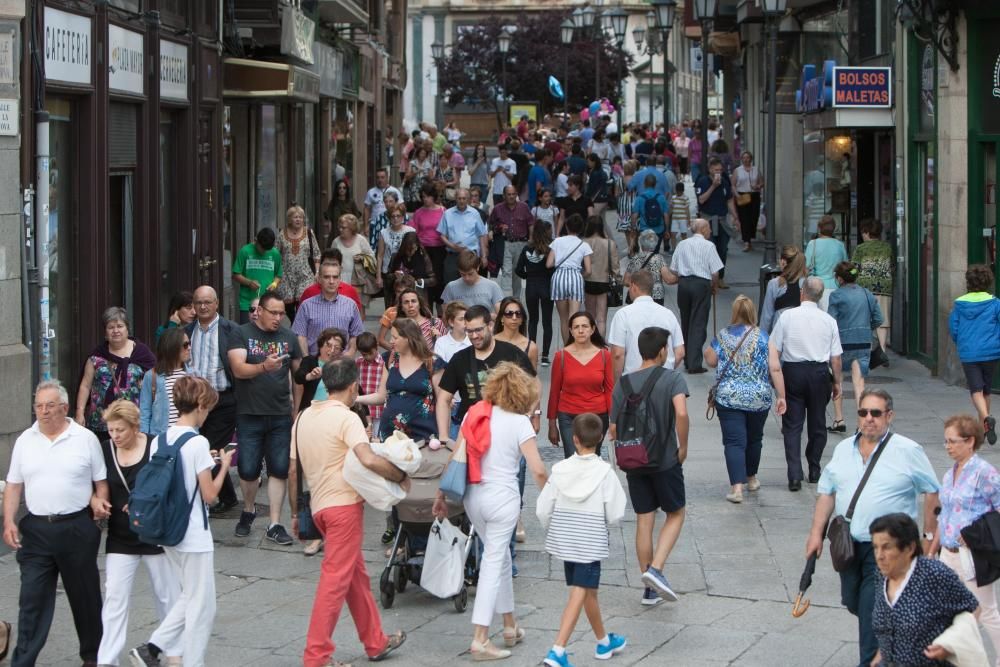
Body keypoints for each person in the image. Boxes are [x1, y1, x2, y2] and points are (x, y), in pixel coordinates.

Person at [805, 388, 941, 667]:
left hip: (889, 549)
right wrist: (815, 534)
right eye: (863, 412)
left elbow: (932, 491)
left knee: (871, 611)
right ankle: (893, 644)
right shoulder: (844, 449)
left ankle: (872, 660)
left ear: (889, 416)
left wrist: (928, 537)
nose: (868, 418)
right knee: (854, 601)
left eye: (875, 413)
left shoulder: (907, 450)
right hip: (849, 545)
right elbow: (827, 491)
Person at [289, 359, 408, 666]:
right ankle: (316, 657)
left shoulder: (302, 417)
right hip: (343, 506)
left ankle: (375, 641)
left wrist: (293, 512)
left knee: (355, 576)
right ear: (354, 386)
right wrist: (399, 476)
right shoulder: (347, 418)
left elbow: (292, 469)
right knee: (334, 583)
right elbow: (367, 459)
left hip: (318, 506)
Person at [432, 362, 548, 661]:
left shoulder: (474, 413)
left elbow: (456, 456)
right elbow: (537, 469)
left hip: (474, 497)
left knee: (500, 558)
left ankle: (509, 625)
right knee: (494, 563)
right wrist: (552, 496)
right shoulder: (520, 422)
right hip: (503, 498)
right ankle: (481, 638)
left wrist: (441, 494)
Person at [126, 377, 236, 667]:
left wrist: (206, 462)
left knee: (191, 597)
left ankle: (153, 648)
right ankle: (179, 657)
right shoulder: (198, 442)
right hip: (194, 533)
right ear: (200, 405)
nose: (208, 413)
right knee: (202, 607)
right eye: (208, 408)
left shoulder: (159, 440)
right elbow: (210, 495)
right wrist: (223, 467)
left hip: (167, 530)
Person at [4, 380, 108, 666]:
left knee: (85, 597)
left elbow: (101, 482)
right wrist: (9, 522)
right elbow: (13, 485)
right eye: (39, 406)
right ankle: (22, 661)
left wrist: (99, 502)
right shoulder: (26, 439)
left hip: (76, 527)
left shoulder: (84, 438)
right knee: (32, 600)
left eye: (50, 406)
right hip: (37, 529)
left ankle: (93, 656)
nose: (43, 411)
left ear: (64, 407)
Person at [537, 413, 628, 667]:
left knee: (588, 591)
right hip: (589, 540)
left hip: (565, 538)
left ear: (574, 439)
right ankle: (558, 649)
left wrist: (549, 526)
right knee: (581, 590)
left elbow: (543, 508)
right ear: (599, 438)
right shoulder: (604, 473)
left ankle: (603, 641)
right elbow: (616, 512)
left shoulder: (559, 470)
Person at [609, 327, 689, 607]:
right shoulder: (672, 378)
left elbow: (614, 427)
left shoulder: (624, 383)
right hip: (665, 458)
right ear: (663, 351)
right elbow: (681, 412)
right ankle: (656, 569)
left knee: (644, 518)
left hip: (635, 458)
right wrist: (683, 446)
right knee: (676, 513)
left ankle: (649, 589)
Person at [97, 400, 180, 666]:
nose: (115, 436)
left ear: (135, 426)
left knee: (167, 596)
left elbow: (170, 484)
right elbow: (97, 484)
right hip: (121, 536)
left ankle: (175, 652)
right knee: (114, 598)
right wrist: (96, 502)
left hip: (154, 534)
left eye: (120, 430)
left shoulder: (155, 445)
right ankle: (107, 660)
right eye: (111, 430)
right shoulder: (105, 449)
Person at [227, 290, 303, 545]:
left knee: (279, 469)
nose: (279, 318)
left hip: (280, 413)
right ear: (259, 311)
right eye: (274, 312)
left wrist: (296, 409)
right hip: (249, 412)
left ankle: (274, 523)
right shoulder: (241, 333)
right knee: (248, 469)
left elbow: (298, 375)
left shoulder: (288, 337)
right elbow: (238, 369)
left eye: (282, 313)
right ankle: (248, 510)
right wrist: (263, 367)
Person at [704, 296, 787, 503]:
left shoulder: (722, 335)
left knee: (734, 442)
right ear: (752, 313)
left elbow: (711, 360)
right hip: (758, 397)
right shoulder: (765, 337)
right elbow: (775, 368)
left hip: (729, 397)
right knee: (754, 439)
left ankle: (736, 489)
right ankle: (751, 478)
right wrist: (781, 396)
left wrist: (711, 349)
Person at [870, 513, 980, 667]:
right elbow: (887, 625)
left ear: (909, 548)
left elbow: (974, 608)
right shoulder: (881, 576)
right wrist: (880, 654)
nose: (879, 556)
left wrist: (949, 645)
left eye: (886, 547)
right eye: (875, 547)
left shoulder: (935, 574)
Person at [933, 414, 1000, 662]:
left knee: (986, 610)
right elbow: (945, 512)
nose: (948, 446)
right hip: (947, 553)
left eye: (952, 441)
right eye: (946, 441)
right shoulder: (950, 473)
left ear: (970, 441)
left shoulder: (984, 472)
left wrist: (978, 531)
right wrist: (933, 547)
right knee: (946, 607)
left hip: (972, 553)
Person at [770, 277, 843, 491]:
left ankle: (794, 474)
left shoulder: (787, 317)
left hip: (793, 370)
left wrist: (777, 379)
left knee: (792, 425)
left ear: (802, 292)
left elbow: (775, 349)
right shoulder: (828, 320)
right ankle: (814, 468)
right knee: (818, 422)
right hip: (819, 372)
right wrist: (837, 382)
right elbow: (836, 358)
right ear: (820, 297)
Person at [435, 305, 539, 444]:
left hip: (507, 434)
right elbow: (443, 399)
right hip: (472, 434)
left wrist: (529, 414)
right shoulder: (459, 359)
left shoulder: (511, 352)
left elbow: (535, 384)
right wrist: (443, 436)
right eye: (469, 331)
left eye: (478, 330)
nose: (474, 336)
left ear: (490, 325)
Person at [186, 285, 241, 516]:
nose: (203, 306)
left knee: (209, 448)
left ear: (217, 304)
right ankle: (228, 497)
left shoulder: (232, 330)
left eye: (208, 302)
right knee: (210, 448)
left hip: (223, 399)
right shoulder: (187, 331)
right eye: (198, 302)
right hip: (196, 401)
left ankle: (218, 497)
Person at [356, 318, 445, 441]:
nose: (391, 341)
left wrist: (443, 436)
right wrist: (355, 399)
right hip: (390, 435)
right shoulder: (390, 360)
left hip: (423, 434)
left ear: (409, 338)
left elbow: (443, 402)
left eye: (395, 337)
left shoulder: (433, 362)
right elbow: (381, 396)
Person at [75, 307, 156, 440]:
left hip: (132, 422)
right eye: (111, 327)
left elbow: (155, 383)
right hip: (100, 423)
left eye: (120, 326)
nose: (116, 330)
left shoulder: (142, 353)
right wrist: (80, 412)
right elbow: (85, 386)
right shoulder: (97, 356)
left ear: (127, 329)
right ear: (105, 333)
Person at [548, 312, 614, 459]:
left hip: (596, 416)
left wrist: (614, 420)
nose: (581, 330)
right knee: (572, 458)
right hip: (568, 416)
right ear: (570, 331)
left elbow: (610, 390)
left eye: (585, 326)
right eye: (576, 327)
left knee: (591, 458)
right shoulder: (561, 356)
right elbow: (554, 391)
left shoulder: (604, 355)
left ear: (592, 329)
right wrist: (552, 424)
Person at [827, 261, 884, 434]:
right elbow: (879, 319)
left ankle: (839, 419)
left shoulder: (836, 296)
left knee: (837, 381)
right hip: (863, 341)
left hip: (842, 342)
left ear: (839, 278)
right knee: (859, 384)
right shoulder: (867, 294)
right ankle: (861, 424)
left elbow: (831, 321)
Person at [949, 264, 1000, 445]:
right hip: (991, 352)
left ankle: (985, 419)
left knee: (975, 390)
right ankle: (983, 428)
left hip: (969, 352)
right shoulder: (995, 303)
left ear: (968, 282)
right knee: (986, 389)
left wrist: (962, 342)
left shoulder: (959, 304)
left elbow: (954, 328)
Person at [668, 219, 725, 373]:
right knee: (698, 323)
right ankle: (694, 364)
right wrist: (714, 286)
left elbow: (673, 269)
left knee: (686, 321)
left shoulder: (682, 244)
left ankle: (687, 358)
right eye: (709, 228)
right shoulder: (709, 246)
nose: (711, 232)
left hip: (684, 284)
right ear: (704, 229)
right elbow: (715, 272)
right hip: (701, 285)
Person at [608, 270, 685, 376]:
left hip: (633, 380)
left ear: (633, 286)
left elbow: (617, 354)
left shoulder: (623, 315)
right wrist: (668, 370)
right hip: (664, 379)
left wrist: (618, 385)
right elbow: (680, 352)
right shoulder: (668, 314)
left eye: (629, 287)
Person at [293, 261, 365, 359]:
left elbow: (356, 334)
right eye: (327, 277)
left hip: (341, 362)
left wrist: (350, 354)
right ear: (319, 279)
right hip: (314, 362)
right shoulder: (306, 306)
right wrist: (306, 358)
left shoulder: (350, 305)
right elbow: (300, 335)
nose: (331, 281)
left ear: (340, 279)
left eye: (335, 277)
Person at [548, 213, 593, 345]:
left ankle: (566, 346)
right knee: (574, 317)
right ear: (581, 228)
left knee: (563, 318)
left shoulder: (557, 241)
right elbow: (589, 271)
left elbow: (549, 264)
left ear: (566, 226)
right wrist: (580, 276)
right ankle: (574, 346)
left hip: (559, 277)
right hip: (575, 277)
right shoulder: (584, 245)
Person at [517, 220, 556, 366]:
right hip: (547, 286)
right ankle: (545, 356)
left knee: (533, 321)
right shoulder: (551, 249)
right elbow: (554, 268)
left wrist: (528, 276)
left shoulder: (527, 248)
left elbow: (518, 269)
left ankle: (531, 353)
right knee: (547, 322)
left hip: (531, 287)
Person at [138, 327, 191, 435]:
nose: (189, 348)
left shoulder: (193, 375)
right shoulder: (152, 376)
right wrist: (145, 440)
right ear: (172, 347)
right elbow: (144, 412)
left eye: (189, 344)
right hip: (160, 437)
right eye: (185, 345)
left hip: (187, 437)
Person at [852, 219, 894, 355]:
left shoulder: (860, 249)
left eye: (863, 233)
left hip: (864, 288)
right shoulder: (887, 247)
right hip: (884, 287)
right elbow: (892, 266)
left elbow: (854, 269)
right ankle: (882, 350)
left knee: (865, 318)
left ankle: (868, 349)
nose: (862, 235)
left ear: (867, 233)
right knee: (883, 318)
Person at [695, 158, 738, 287]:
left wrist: (735, 216)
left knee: (722, 249)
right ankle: (709, 277)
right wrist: (713, 186)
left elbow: (729, 200)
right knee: (709, 248)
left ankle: (720, 277)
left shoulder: (725, 182)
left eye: (720, 170)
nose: (718, 172)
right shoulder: (702, 181)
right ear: (710, 170)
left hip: (722, 220)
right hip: (708, 220)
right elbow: (701, 200)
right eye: (716, 170)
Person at [276, 205, 322, 321]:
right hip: (286, 276)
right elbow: (275, 254)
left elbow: (316, 254)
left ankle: (300, 326)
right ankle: (294, 322)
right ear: (289, 219)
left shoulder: (309, 233)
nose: (298, 220)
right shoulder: (281, 234)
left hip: (305, 275)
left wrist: (317, 272)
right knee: (288, 306)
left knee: (304, 302)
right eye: (295, 217)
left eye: (301, 217)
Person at [490, 184, 536, 300]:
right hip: (505, 243)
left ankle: (516, 299)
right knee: (506, 271)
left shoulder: (524, 207)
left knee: (517, 272)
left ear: (517, 195)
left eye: (513, 194)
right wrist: (500, 227)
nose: (511, 197)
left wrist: (531, 238)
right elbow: (491, 225)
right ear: (504, 196)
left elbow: (531, 223)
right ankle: (505, 298)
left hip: (521, 243)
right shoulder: (497, 208)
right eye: (509, 194)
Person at [438, 188, 489, 284]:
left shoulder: (475, 213)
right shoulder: (447, 213)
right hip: (452, 255)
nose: (461, 201)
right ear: (455, 199)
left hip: (470, 256)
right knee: (450, 284)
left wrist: (484, 256)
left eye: (464, 198)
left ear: (468, 199)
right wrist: (453, 246)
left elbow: (481, 235)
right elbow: (442, 235)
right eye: (459, 198)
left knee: (471, 284)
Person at [232, 227, 282, 323]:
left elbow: (278, 275)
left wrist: (274, 284)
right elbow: (235, 275)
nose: (263, 251)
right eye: (262, 248)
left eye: (267, 250)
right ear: (256, 240)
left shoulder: (275, 253)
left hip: (267, 303)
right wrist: (249, 282)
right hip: (247, 303)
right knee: (246, 333)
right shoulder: (245, 251)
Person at [410, 182, 448, 307]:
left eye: (428, 196)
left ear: (434, 196)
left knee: (438, 279)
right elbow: (412, 231)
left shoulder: (443, 211)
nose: (425, 199)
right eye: (423, 196)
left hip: (439, 249)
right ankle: (427, 307)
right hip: (423, 249)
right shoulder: (419, 212)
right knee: (424, 278)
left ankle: (439, 306)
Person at [293, 327, 346, 413]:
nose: (332, 350)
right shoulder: (310, 361)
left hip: (334, 415)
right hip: (311, 413)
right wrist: (310, 376)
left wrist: (368, 422)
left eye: (337, 348)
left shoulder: (342, 367)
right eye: (328, 345)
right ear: (320, 344)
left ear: (341, 351)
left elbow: (356, 391)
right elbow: (298, 378)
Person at [583, 215, 620, 337]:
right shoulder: (610, 243)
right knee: (602, 318)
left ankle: (590, 341)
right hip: (603, 281)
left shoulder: (584, 243)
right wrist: (618, 279)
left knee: (590, 316)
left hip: (588, 280)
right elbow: (615, 266)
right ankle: (601, 344)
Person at [377, 287, 446, 351]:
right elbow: (395, 351)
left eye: (413, 301)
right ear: (402, 307)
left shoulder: (435, 323)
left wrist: (438, 338)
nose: (410, 305)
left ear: (420, 304)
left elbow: (446, 349)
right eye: (406, 302)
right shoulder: (399, 327)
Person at [760, 245, 809, 333]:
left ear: (783, 262)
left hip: (780, 334)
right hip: (801, 333)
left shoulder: (775, 283)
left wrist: (762, 337)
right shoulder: (806, 283)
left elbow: (767, 315)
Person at [376, 202, 416, 306]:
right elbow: (380, 255)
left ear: (403, 216)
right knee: (390, 303)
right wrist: (378, 276)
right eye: (393, 216)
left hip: (406, 272)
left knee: (406, 302)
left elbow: (414, 254)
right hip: (389, 272)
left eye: (398, 216)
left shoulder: (410, 231)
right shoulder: (383, 232)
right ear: (389, 217)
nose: (395, 219)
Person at [805, 215, 848, 310]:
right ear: (834, 229)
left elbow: (806, 267)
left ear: (819, 228)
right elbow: (846, 266)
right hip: (837, 286)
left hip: (817, 288)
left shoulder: (813, 244)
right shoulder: (840, 245)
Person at [440, 251, 504, 311]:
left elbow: (500, 313)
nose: (467, 278)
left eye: (470, 274)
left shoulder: (492, 286)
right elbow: (446, 313)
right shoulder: (451, 287)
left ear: (478, 267)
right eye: (463, 274)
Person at [623, 230, 672, 306]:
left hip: (639, 295)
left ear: (641, 242)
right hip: (657, 295)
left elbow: (626, 281)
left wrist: (638, 284)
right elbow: (668, 279)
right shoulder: (658, 258)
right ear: (655, 243)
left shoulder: (635, 258)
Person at [387, 230, 439, 302]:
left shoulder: (423, 257)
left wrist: (420, 281)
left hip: (419, 296)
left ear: (417, 246)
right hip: (399, 296)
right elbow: (387, 278)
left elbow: (433, 280)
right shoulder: (396, 257)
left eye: (413, 249)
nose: (410, 252)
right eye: (408, 250)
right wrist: (394, 275)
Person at [330, 213, 374, 288]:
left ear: (352, 228)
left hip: (358, 279)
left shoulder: (361, 240)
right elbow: (330, 261)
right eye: (339, 227)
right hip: (341, 279)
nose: (340, 230)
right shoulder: (336, 242)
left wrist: (362, 258)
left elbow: (372, 257)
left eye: (343, 228)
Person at [494, 297, 539, 369]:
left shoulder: (531, 347)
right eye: (509, 313)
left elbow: (533, 378)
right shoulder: (491, 343)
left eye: (518, 313)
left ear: (522, 319)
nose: (514, 317)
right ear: (501, 318)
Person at [732, 151, 763, 252]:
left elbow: (762, 182)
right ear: (741, 159)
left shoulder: (756, 169)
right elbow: (733, 184)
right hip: (742, 195)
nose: (746, 159)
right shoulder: (737, 170)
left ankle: (750, 236)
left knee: (754, 217)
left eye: (748, 157)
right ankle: (746, 242)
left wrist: (758, 186)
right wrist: (737, 195)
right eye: (744, 158)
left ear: (751, 158)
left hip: (754, 195)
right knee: (744, 219)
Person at [631, 174, 669, 249]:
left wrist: (633, 228)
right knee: (656, 252)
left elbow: (634, 215)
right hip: (659, 230)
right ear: (655, 184)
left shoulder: (640, 198)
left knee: (645, 253)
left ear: (644, 184)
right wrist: (666, 230)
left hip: (644, 229)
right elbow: (666, 215)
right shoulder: (661, 197)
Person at [363, 167, 403, 238]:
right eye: (378, 177)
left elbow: (401, 207)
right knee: (375, 246)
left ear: (387, 178)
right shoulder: (371, 192)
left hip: (392, 223)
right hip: (375, 224)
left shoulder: (395, 191)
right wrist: (366, 226)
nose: (380, 180)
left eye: (382, 177)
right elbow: (366, 209)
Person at [355, 331, 386, 424]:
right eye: (364, 354)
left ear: (376, 346)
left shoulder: (384, 363)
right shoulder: (357, 363)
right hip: (363, 411)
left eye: (371, 353)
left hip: (379, 411)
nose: (368, 357)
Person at [325, 179, 362, 249]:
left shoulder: (351, 202)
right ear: (337, 189)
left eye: (344, 188)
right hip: (335, 232)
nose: (342, 190)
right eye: (340, 188)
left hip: (349, 233)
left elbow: (356, 218)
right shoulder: (333, 202)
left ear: (347, 189)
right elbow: (329, 218)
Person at [614, 159, 639, 252]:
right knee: (635, 227)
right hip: (635, 206)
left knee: (626, 229)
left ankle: (630, 246)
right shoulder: (636, 179)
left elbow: (616, 194)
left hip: (623, 207)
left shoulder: (619, 180)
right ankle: (634, 245)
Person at [404, 145, 433, 212]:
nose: (423, 155)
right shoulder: (412, 163)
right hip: (414, 188)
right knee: (414, 207)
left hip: (424, 188)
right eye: (421, 153)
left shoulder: (428, 164)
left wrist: (427, 176)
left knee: (423, 206)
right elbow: (407, 176)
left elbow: (431, 178)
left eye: (424, 154)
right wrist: (416, 172)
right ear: (418, 154)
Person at [584, 154, 610, 221]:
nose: (588, 163)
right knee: (603, 222)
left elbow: (591, 187)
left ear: (594, 162)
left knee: (595, 221)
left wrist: (586, 197)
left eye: (589, 162)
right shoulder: (602, 171)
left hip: (597, 199)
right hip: (604, 198)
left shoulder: (594, 173)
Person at [669, 182, 692, 246]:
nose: (678, 193)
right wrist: (669, 216)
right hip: (674, 219)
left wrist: (688, 220)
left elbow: (687, 210)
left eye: (680, 192)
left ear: (682, 191)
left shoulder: (685, 198)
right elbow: (671, 208)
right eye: (677, 191)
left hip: (683, 219)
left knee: (683, 234)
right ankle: (674, 249)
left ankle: (685, 247)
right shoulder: (673, 198)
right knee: (673, 234)